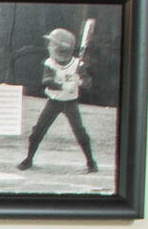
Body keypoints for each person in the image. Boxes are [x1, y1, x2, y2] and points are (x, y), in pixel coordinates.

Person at [21, 20, 99, 172]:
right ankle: (29, 159)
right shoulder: (50, 63)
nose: (50, 46)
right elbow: (47, 82)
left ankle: (91, 162)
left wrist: (81, 81)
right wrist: (64, 85)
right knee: (38, 130)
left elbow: (89, 83)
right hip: (54, 102)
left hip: (70, 103)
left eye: (53, 44)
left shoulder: (78, 64)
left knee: (80, 132)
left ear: (61, 48)